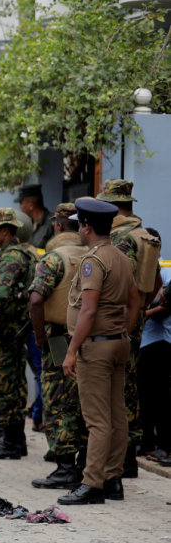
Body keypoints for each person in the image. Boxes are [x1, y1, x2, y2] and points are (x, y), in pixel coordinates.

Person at [58, 198, 139, 505]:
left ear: (87, 227)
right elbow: (135, 302)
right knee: (117, 414)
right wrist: (124, 332)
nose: (79, 229)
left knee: (97, 419)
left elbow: (88, 311)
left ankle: (92, 484)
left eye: (80, 224)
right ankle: (112, 479)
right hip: (117, 343)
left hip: (97, 347)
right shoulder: (120, 257)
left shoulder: (94, 261)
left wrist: (72, 351)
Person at [99, 178, 162, 478]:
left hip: (117, 320)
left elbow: (116, 282)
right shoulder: (145, 235)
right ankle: (129, 457)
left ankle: (120, 459)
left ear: (111, 205)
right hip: (137, 320)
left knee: (117, 391)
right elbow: (155, 284)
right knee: (130, 387)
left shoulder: (120, 239)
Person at [29, 203, 89, 489]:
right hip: (87, 336)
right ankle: (83, 464)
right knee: (83, 400)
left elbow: (36, 299)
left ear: (57, 226)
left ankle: (65, 467)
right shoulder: (92, 255)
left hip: (56, 337)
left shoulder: (54, 258)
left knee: (56, 400)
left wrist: (39, 335)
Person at [0, 208, 36, 460]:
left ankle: (12, 443)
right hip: (13, 330)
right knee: (13, 385)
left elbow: (1, 296)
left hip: (6, 332)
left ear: (6, 230)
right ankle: (14, 440)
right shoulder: (16, 253)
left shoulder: (12, 257)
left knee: (7, 387)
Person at [139, 232, 171, 465]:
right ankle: (147, 442)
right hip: (142, 343)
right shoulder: (140, 272)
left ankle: (164, 447)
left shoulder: (166, 273)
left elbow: (166, 307)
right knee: (144, 398)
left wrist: (140, 315)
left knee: (160, 398)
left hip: (159, 343)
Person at [17, 184, 54, 250]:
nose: (20, 207)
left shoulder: (52, 223)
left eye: (21, 203)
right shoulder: (28, 224)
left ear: (31, 206)